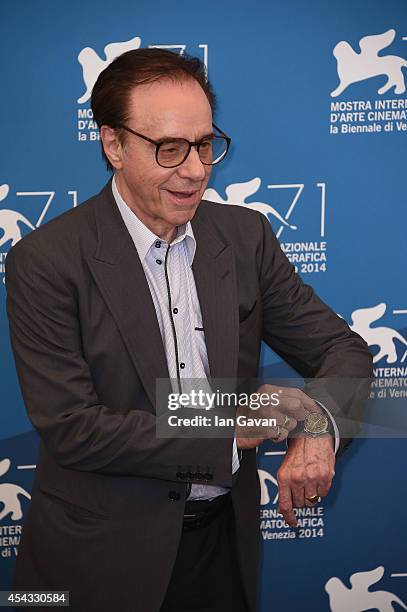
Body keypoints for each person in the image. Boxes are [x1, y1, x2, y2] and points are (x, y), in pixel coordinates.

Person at [5, 48, 372, 612]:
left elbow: (339, 347)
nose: (197, 169)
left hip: (223, 548)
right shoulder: (45, 261)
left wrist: (320, 424)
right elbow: (74, 427)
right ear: (114, 145)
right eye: (170, 149)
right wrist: (229, 425)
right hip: (100, 559)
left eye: (204, 145)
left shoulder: (245, 236)